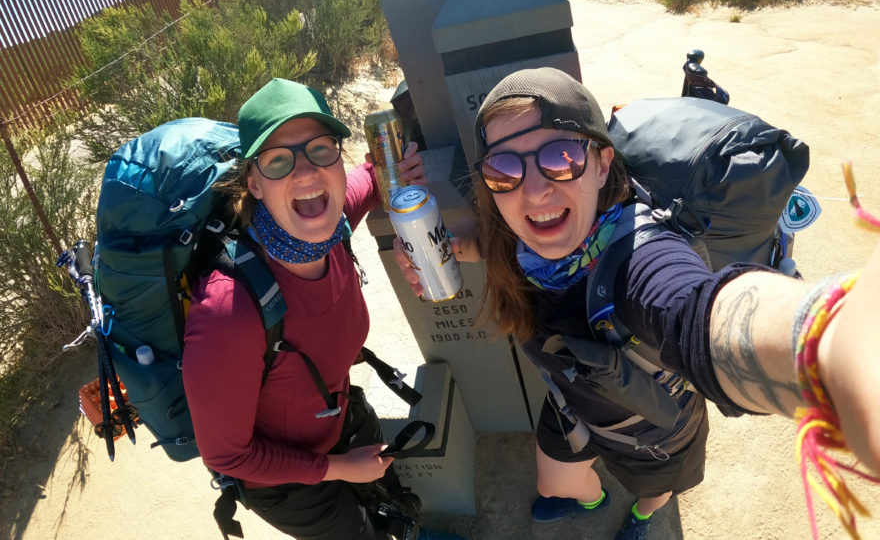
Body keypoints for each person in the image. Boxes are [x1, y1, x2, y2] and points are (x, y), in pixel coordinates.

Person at [395, 66, 880, 540]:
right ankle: (592, 498)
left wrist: (832, 349)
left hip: (650, 429)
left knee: (653, 490)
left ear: (603, 162)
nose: (535, 189)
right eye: (504, 169)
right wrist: (440, 247)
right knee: (554, 481)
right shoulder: (519, 236)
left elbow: (697, 312)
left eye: (561, 158)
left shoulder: (639, 257)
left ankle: (647, 516)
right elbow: (495, 240)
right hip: (572, 397)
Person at [182, 77, 464, 540]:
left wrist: (399, 172)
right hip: (287, 479)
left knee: (390, 494)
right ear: (253, 182)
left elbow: (375, 175)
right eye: (278, 160)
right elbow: (227, 457)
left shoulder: (330, 224)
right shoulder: (228, 313)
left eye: (320, 149)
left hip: (341, 415)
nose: (307, 172)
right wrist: (336, 469)